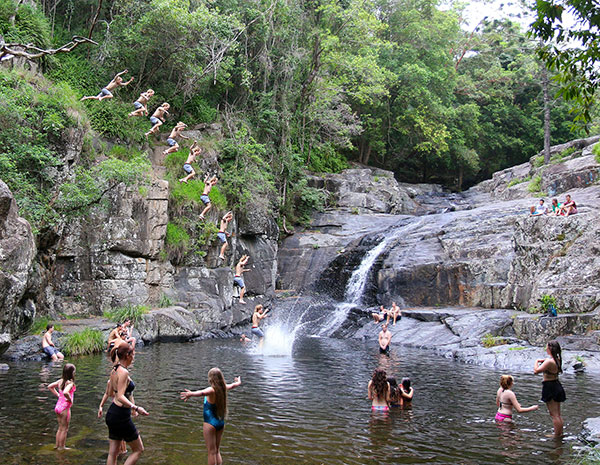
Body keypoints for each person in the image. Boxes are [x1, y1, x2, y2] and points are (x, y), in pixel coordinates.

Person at [180, 368, 242, 465]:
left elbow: (202, 393)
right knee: (217, 450)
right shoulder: (224, 388)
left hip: (210, 423)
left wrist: (191, 394)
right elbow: (234, 385)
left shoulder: (212, 390)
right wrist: (238, 381)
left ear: (211, 379)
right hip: (220, 422)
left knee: (211, 452)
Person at [102, 344, 149, 465]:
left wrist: (131, 405)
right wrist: (136, 408)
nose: (133, 357)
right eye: (133, 355)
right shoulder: (124, 372)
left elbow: (112, 393)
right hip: (121, 416)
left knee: (113, 453)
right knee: (138, 449)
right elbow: (120, 396)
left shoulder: (115, 369)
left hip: (112, 414)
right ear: (127, 356)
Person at [534, 340, 566, 436]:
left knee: (554, 415)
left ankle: (556, 436)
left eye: (547, 347)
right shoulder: (558, 360)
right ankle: (560, 434)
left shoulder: (549, 362)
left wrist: (537, 361)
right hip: (556, 385)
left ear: (550, 349)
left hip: (550, 387)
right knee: (558, 414)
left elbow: (536, 371)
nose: (546, 349)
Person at [48, 363, 76, 449]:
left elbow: (50, 386)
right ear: (71, 373)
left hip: (58, 407)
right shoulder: (70, 383)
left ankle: (57, 446)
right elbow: (65, 392)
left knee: (60, 428)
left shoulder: (60, 381)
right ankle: (62, 447)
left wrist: (58, 395)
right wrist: (70, 400)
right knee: (65, 429)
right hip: (65, 408)